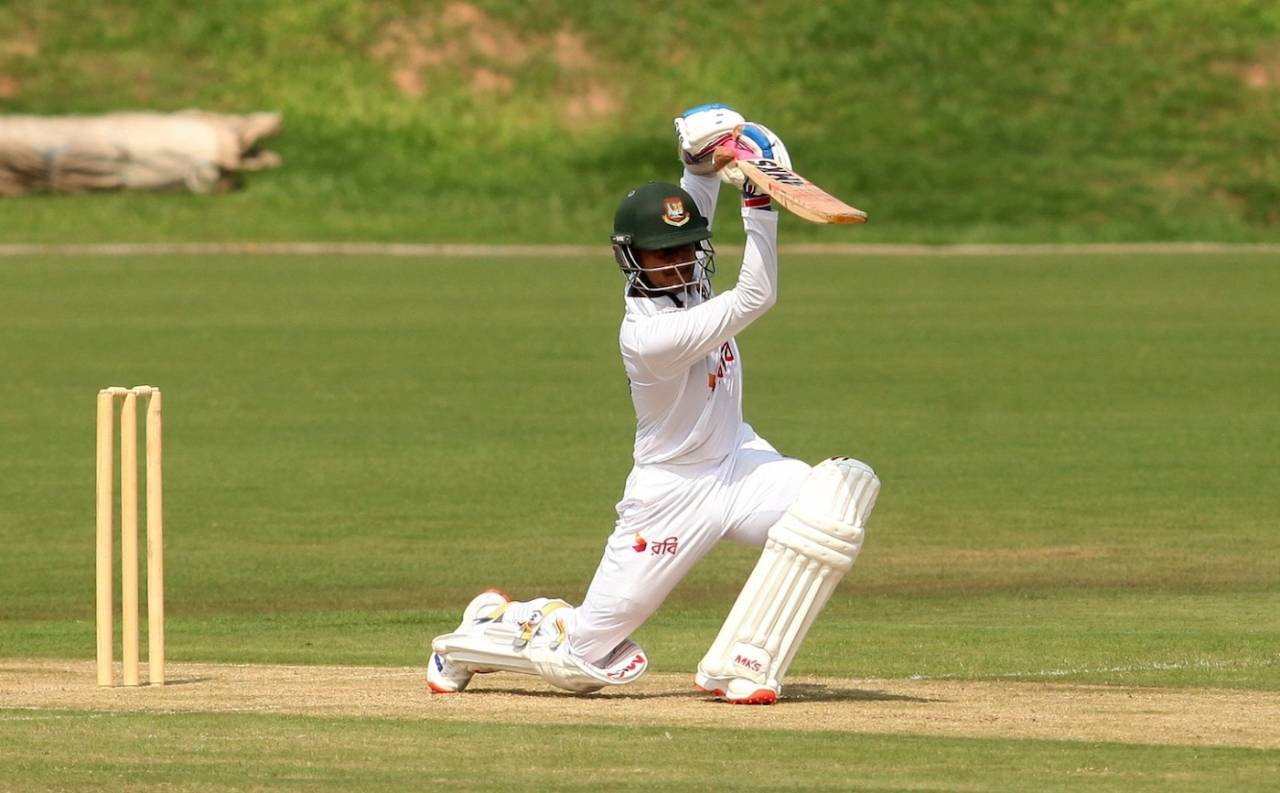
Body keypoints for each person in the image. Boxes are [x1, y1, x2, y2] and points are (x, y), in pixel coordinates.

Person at [428, 104, 879, 704]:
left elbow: (694, 200)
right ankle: (478, 632)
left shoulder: (688, 274)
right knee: (583, 662)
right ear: (630, 257)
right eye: (663, 254)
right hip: (670, 495)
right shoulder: (649, 337)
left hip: (738, 464)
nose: (680, 262)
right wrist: (759, 202)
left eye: (689, 247)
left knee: (836, 501)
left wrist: (700, 160)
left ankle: (743, 661)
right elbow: (758, 293)